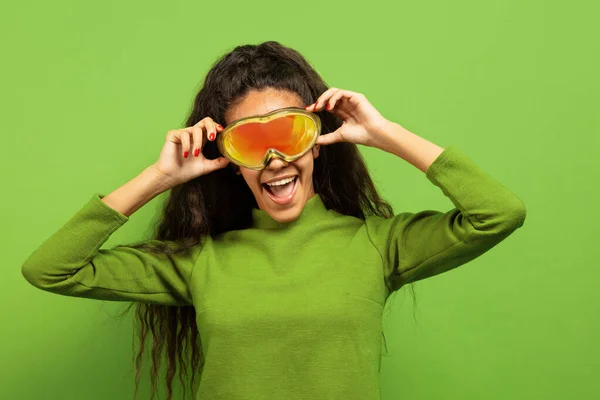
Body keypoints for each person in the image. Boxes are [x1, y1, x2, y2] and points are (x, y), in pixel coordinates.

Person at [21, 40, 527, 400]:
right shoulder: (202, 261)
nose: (273, 161)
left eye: (288, 136)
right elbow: (50, 269)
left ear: (317, 142)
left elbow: (498, 213)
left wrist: (384, 132)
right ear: (229, 158)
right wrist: (158, 177)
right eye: (250, 143)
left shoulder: (375, 244)